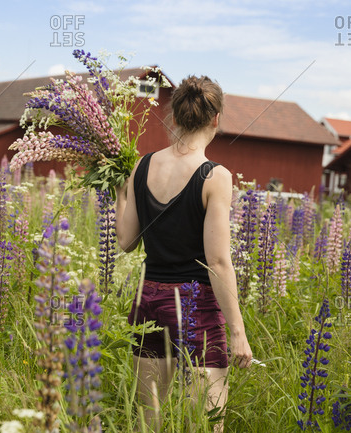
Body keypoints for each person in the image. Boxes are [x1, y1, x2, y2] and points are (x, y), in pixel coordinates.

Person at [115, 75, 253, 432]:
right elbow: (218, 261)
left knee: (150, 420)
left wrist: (122, 194)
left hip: (148, 302)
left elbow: (126, 242)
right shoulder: (215, 176)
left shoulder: (142, 166)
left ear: (172, 118)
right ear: (216, 119)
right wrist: (237, 332)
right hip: (197, 306)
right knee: (204, 423)